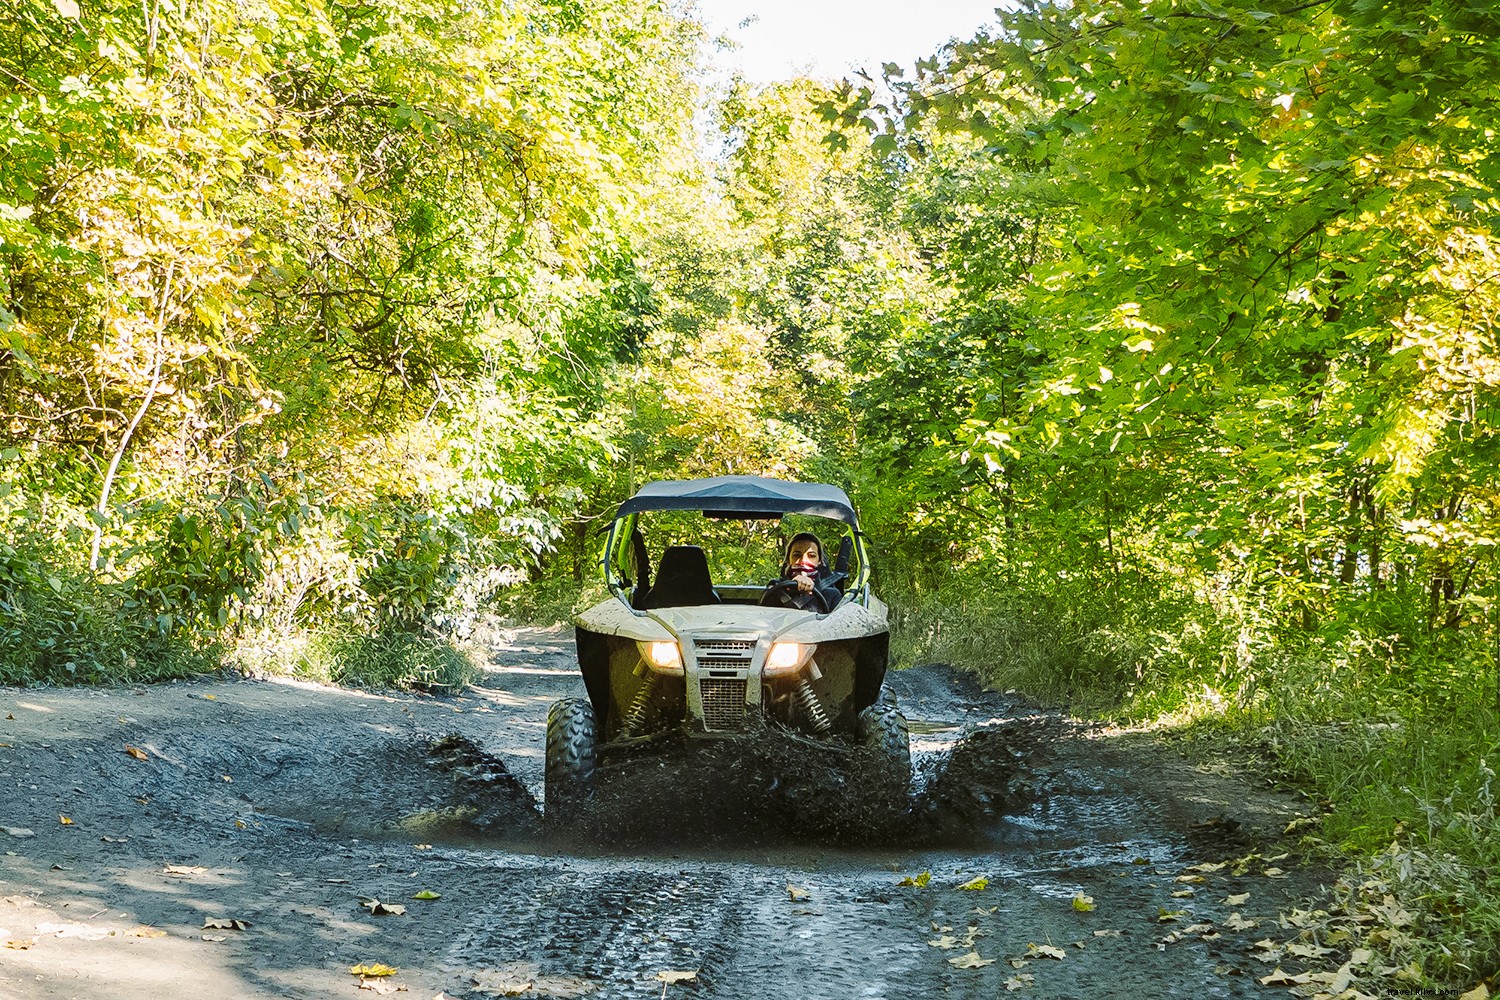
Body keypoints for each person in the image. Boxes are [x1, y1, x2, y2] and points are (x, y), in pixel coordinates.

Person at [761, 532, 843, 613]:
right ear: (788, 561)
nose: (803, 561)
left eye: (811, 556)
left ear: (819, 561)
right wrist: (792, 587)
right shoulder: (775, 588)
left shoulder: (832, 595)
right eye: (796, 555)